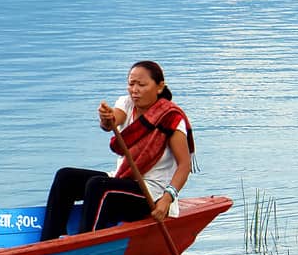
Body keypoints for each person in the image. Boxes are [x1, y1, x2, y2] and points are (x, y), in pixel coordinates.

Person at [41, 60, 194, 240]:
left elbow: (184, 165)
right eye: (131, 84)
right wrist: (106, 118)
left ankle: (86, 241)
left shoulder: (171, 118)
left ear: (159, 87)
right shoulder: (127, 103)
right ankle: (48, 241)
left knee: (99, 185)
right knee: (65, 177)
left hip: (151, 194)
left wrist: (167, 199)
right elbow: (113, 120)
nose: (135, 90)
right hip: (122, 179)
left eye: (142, 85)